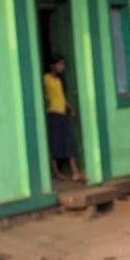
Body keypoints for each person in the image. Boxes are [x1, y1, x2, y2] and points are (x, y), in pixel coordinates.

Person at [43, 55, 85, 183]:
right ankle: (56, 173)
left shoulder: (59, 80)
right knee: (55, 142)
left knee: (69, 141)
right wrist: (46, 101)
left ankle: (75, 172)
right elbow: (44, 93)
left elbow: (62, 96)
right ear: (52, 66)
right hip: (52, 113)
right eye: (60, 64)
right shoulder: (46, 78)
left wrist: (70, 108)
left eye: (63, 65)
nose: (62, 67)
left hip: (62, 113)